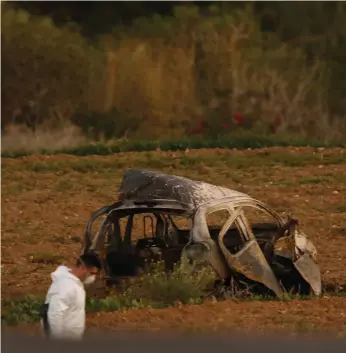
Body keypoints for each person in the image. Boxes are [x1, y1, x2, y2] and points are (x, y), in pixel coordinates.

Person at [40, 251, 102, 341]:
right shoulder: (65, 286)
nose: (93, 278)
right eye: (92, 273)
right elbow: (55, 314)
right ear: (83, 268)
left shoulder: (75, 283)